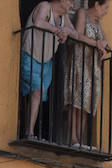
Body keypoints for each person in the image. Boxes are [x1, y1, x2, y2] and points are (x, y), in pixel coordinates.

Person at [20, 0, 76, 141]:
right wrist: (57, 30)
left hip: (46, 61)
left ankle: (28, 129)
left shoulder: (64, 16)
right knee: (36, 93)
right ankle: (29, 133)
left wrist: (67, 31)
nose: (72, 5)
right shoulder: (45, 6)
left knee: (35, 95)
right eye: (71, 1)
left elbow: (75, 34)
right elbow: (38, 22)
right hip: (30, 55)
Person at [63, 0, 110, 148]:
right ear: (96, 4)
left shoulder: (98, 22)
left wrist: (104, 47)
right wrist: (97, 44)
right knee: (75, 101)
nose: (106, 11)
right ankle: (73, 138)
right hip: (79, 61)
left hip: (92, 67)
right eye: (105, 7)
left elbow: (106, 42)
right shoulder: (82, 13)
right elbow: (78, 35)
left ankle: (82, 140)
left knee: (85, 104)